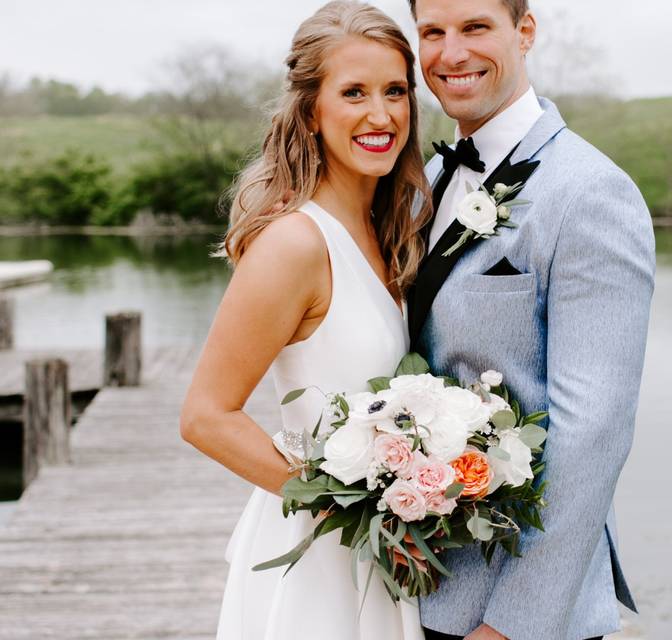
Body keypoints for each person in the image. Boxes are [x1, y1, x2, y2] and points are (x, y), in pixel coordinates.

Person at [404, 1, 656, 639]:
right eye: (432, 32)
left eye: (475, 27)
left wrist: (513, 625)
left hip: (514, 610)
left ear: (525, 31)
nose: (450, 53)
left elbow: (592, 430)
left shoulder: (591, 191)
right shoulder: (430, 177)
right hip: (416, 587)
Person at [179, 3, 430, 638]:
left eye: (395, 91)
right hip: (322, 555)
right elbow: (206, 417)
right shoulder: (295, 243)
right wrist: (352, 514)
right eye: (354, 94)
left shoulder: (390, 230)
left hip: (386, 553)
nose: (382, 116)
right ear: (312, 112)